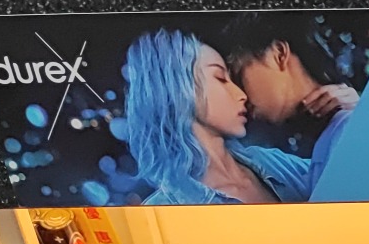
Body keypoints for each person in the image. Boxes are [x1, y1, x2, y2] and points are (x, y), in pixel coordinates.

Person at [122, 30, 311, 205]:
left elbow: (329, 178)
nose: (241, 95)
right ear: (178, 90)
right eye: (220, 78)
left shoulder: (269, 161)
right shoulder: (161, 210)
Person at [224, 14, 360, 195]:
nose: (238, 94)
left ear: (279, 54)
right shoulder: (299, 156)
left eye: (239, 76)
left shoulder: (349, 128)